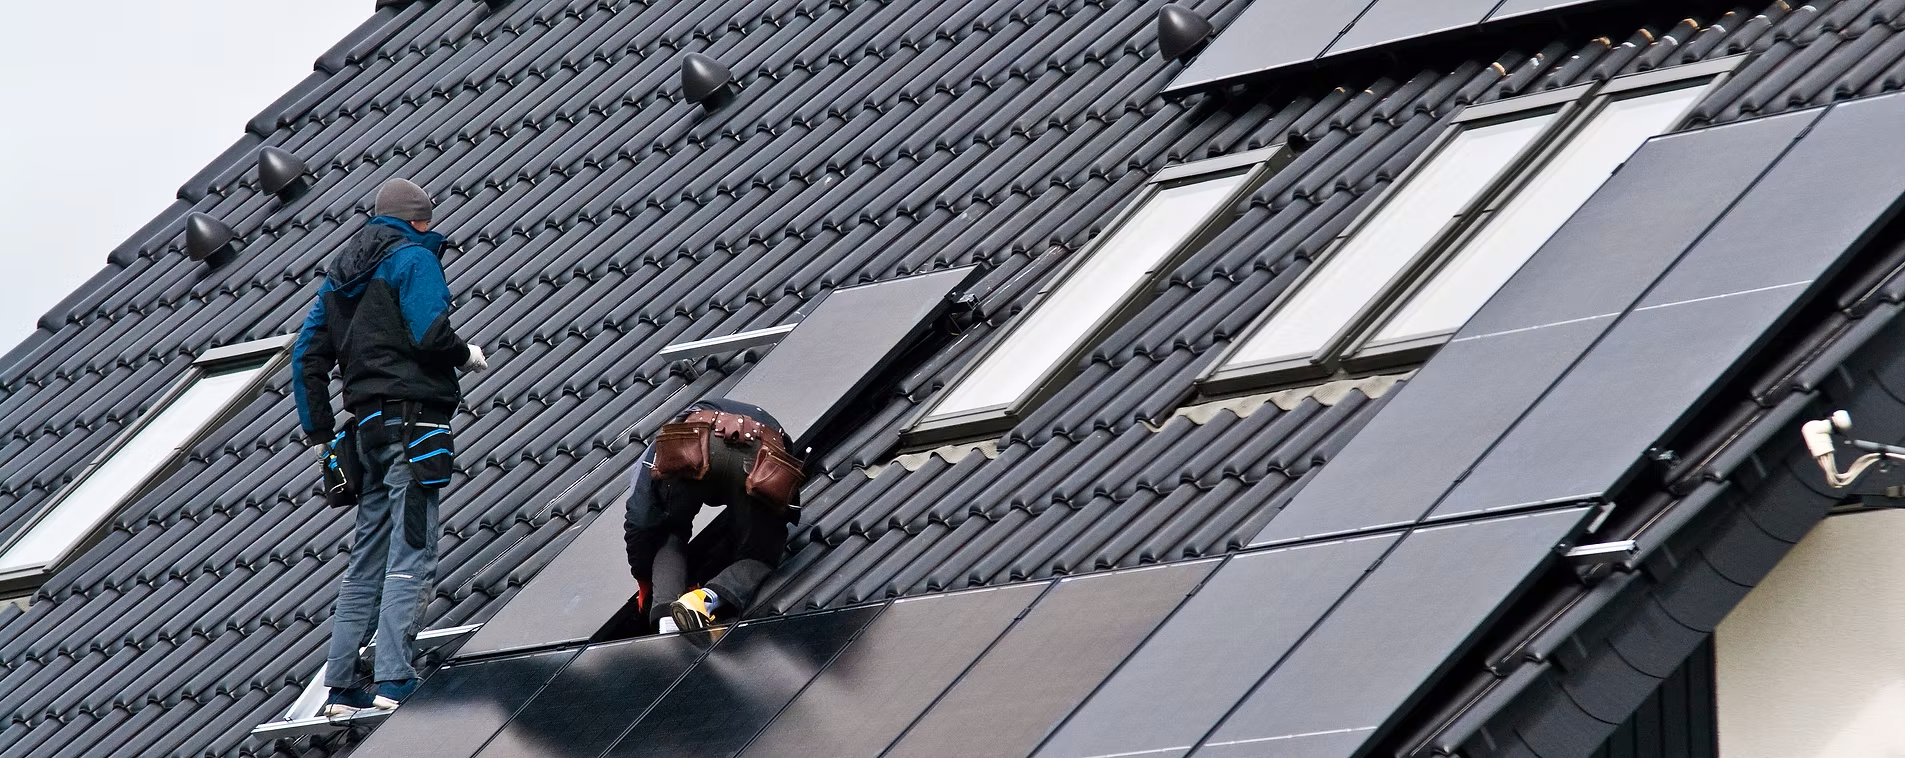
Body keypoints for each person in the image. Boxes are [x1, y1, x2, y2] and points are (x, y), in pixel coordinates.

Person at [292, 179, 489, 717]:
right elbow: (429, 333)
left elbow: (306, 357)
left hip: (367, 432)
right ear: (419, 220)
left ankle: (341, 687)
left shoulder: (337, 280)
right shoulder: (413, 260)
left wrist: (319, 433)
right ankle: (395, 680)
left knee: (366, 558)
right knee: (412, 550)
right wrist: (463, 353)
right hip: (415, 424)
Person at [625, 398, 806, 632]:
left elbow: (640, 519)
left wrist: (643, 576)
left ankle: (667, 618)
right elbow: (784, 487)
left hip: (695, 441)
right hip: (762, 451)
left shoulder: (657, 448)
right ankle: (703, 600)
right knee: (758, 555)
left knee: (668, 533)